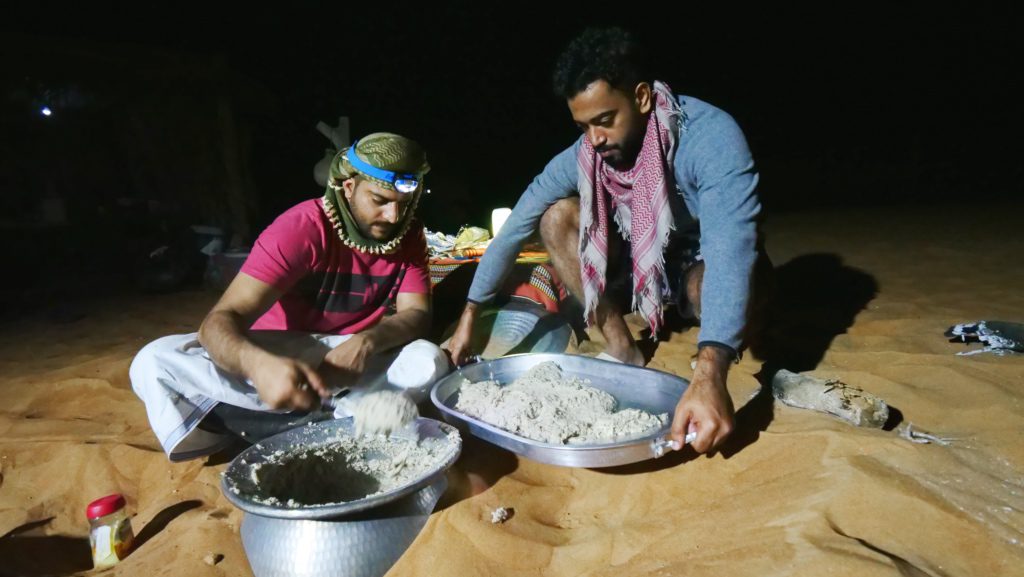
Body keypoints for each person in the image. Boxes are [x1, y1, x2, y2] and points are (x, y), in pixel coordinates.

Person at [446, 28, 770, 454]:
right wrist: (471, 310)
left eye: (604, 120)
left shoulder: (709, 136)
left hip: (701, 259)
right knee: (556, 216)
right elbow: (516, 225)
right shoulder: (586, 153)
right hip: (639, 265)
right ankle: (621, 347)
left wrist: (710, 374)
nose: (594, 139)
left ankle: (716, 340)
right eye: (583, 126)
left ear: (641, 98)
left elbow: (731, 245)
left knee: (723, 290)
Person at [130, 132, 450, 461]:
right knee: (154, 361)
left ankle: (292, 425)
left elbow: (416, 314)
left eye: (404, 203)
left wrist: (366, 342)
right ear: (350, 188)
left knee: (427, 358)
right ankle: (338, 421)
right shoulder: (300, 228)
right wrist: (259, 367)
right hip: (280, 357)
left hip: (350, 359)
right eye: (380, 201)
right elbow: (219, 322)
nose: (393, 217)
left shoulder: (409, 233)